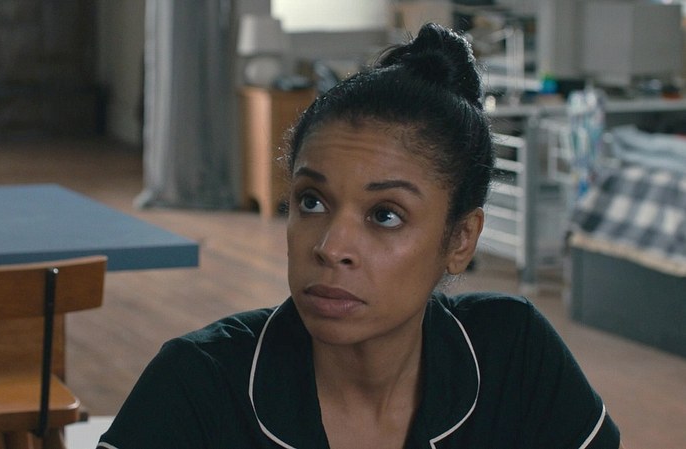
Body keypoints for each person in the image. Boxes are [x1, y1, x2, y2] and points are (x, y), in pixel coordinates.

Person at [98, 23, 621, 448]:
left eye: (385, 215)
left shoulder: (516, 355)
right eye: (312, 201)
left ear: (461, 239)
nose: (330, 248)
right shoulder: (197, 385)